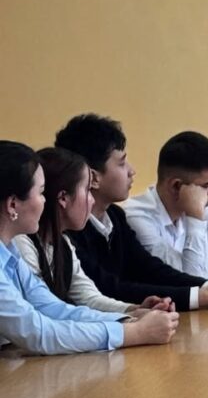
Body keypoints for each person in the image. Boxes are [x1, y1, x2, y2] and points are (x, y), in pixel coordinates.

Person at [56, 114, 208, 310]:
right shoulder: (70, 229)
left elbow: (151, 270)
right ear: (93, 178)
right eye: (122, 163)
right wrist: (205, 296)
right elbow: (110, 288)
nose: (132, 171)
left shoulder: (115, 216)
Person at [0, 141, 178, 355]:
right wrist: (135, 333)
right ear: (12, 205)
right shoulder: (20, 246)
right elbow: (38, 333)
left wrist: (129, 318)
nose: (46, 202)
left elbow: (53, 308)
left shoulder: (10, 251)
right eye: (41, 193)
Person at [15, 147, 171, 315]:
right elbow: (47, 310)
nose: (92, 200)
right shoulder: (22, 243)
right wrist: (128, 321)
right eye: (88, 190)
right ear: (63, 198)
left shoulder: (64, 242)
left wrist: (134, 310)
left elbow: (89, 298)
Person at [123, 132, 208, 292]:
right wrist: (195, 220)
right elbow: (187, 285)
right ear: (176, 186)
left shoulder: (205, 207)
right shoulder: (136, 218)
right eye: (206, 185)